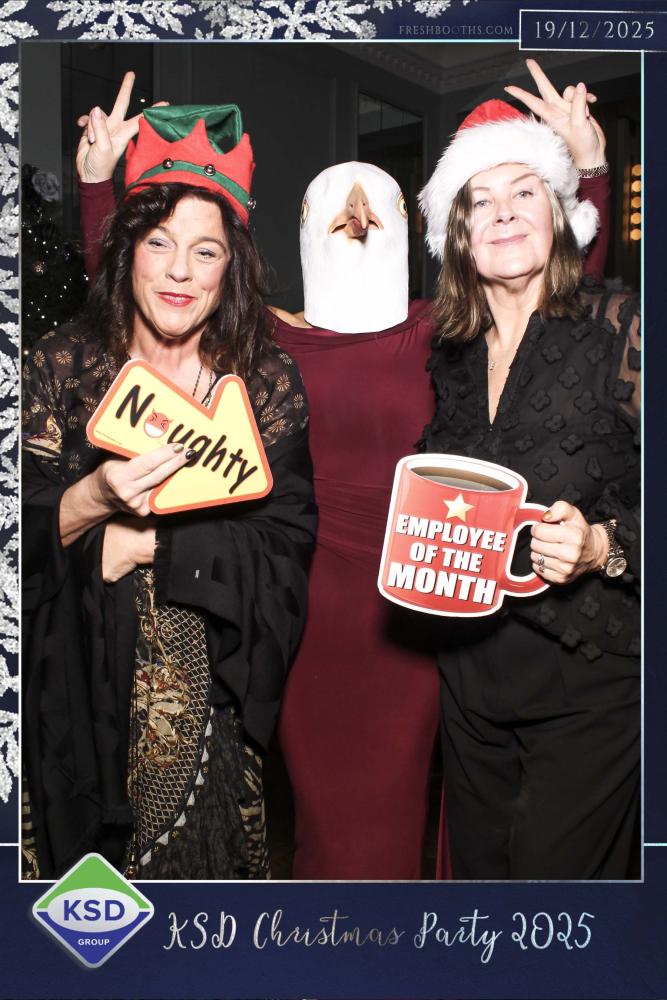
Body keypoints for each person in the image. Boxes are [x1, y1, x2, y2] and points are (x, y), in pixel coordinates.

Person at [75, 62, 612, 879]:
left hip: (425, 606)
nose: (355, 218)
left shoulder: (447, 328)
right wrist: (97, 188)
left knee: (418, 826)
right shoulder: (262, 340)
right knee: (334, 832)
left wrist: (590, 170)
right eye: (334, 208)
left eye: (375, 207)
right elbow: (141, 313)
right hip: (305, 612)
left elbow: (567, 317)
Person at [21, 100, 316, 881]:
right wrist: (93, 504)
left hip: (210, 700)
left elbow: (288, 544)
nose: (180, 272)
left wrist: (152, 543)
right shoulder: (61, 365)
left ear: (231, 267)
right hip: (70, 692)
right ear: (127, 252)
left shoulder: (263, 380)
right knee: (77, 925)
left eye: (204, 251)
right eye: (158, 243)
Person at [417, 80, 640, 879]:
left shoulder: (619, 324)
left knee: (555, 899)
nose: (504, 213)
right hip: (470, 678)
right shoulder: (448, 353)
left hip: (589, 675)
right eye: (480, 201)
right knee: (483, 891)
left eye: (524, 192)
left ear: (558, 214)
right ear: (459, 233)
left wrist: (602, 545)